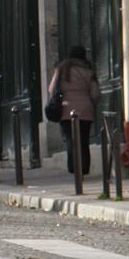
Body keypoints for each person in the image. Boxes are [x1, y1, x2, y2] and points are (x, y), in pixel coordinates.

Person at [48, 45, 100, 175]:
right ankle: (84, 168)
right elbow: (95, 93)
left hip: (67, 109)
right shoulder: (89, 70)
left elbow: (51, 89)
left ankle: (74, 168)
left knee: (71, 140)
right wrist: (90, 102)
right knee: (84, 140)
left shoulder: (62, 68)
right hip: (85, 109)